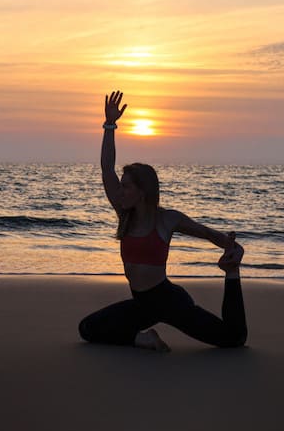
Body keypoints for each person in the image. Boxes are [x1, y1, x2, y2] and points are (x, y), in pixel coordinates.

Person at [78, 91, 248, 352]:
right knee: (88, 329)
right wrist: (110, 125)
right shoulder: (124, 214)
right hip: (141, 304)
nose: (120, 192)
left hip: (168, 301)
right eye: (120, 188)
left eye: (126, 187)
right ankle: (143, 338)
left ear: (142, 191)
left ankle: (233, 278)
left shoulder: (167, 220)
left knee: (233, 339)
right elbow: (106, 169)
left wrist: (230, 250)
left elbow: (205, 232)